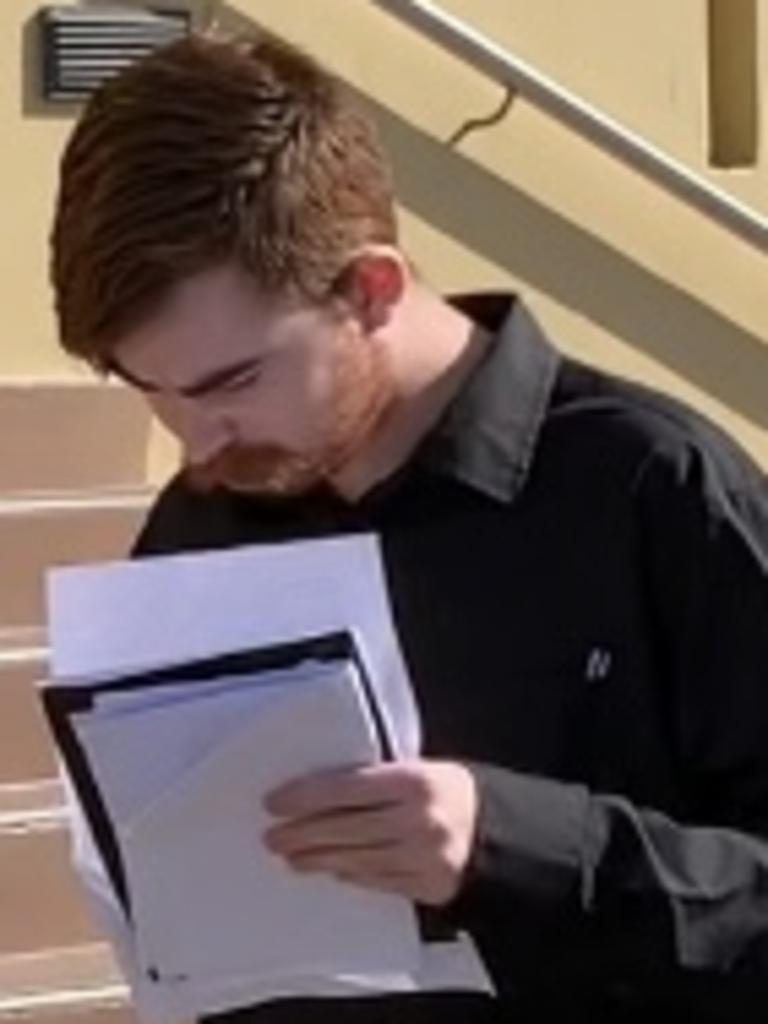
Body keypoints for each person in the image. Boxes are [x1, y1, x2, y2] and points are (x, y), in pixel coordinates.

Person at [50, 29, 768, 1024]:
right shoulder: (202, 521)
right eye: (150, 389)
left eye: (232, 381)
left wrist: (514, 842)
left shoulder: (656, 486)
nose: (191, 439)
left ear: (372, 289)